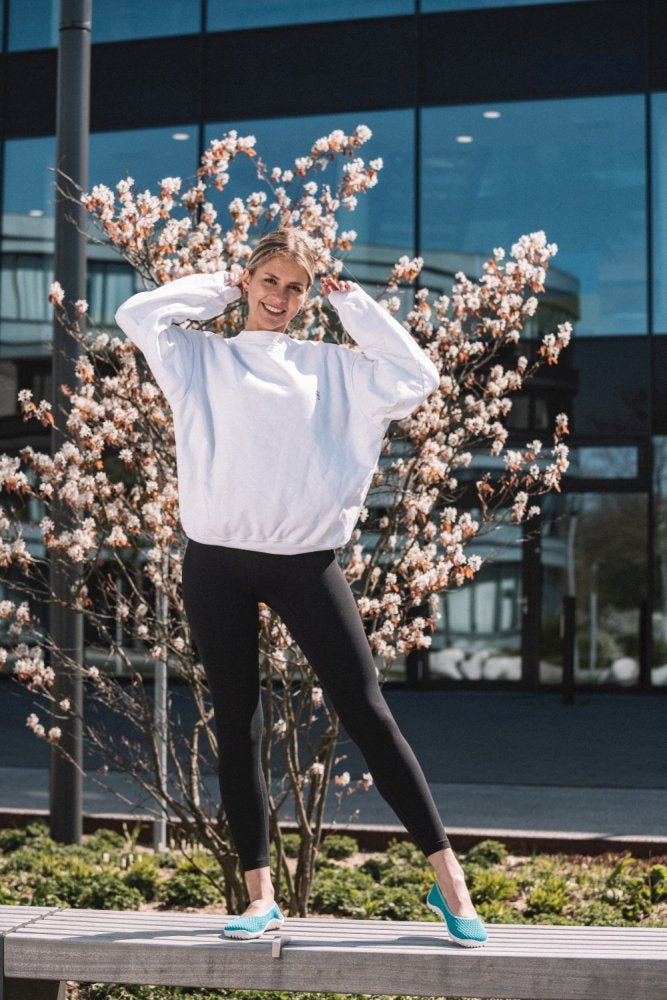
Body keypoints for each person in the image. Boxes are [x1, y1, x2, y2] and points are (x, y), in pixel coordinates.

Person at [114, 226, 487, 948]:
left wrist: (359, 311)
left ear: (311, 297)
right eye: (267, 281)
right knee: (237, 725)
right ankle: (260, 897)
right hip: (216, 561)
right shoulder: (200, 358)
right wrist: (216, 286)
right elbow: (138, 314)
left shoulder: (335, 368)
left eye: (295, 287)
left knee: (369, 715)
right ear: (247, 282)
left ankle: (451, 886)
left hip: (305, 562)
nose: (280, 297)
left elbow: (418, 377)